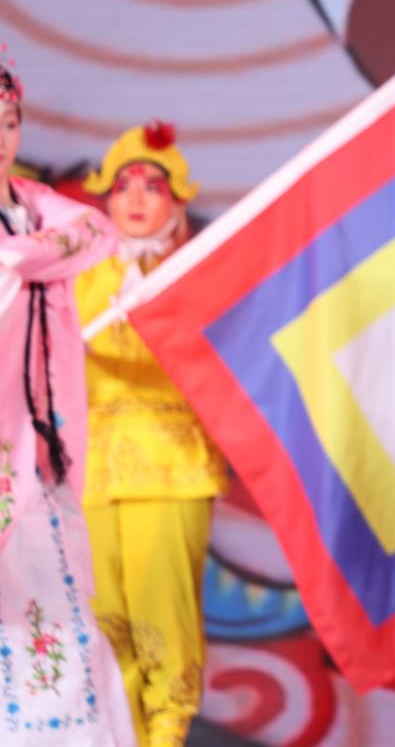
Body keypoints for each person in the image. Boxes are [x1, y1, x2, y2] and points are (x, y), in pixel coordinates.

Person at [0, 56, 139, 745]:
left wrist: (19, 256)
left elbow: (94, 232)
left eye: (9, 122)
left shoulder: (33, 209)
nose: (1, 137)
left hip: (40, 441)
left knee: (56, 612)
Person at [73, 122, 225, 747]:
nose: (135, 198)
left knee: (162, 619)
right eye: (123, 186)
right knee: (103, 624)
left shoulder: (200, 278)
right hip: (91, 474)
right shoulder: (80, 276)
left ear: (178, 200)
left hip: (171, 468)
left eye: (152, 187)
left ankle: (164, 738)